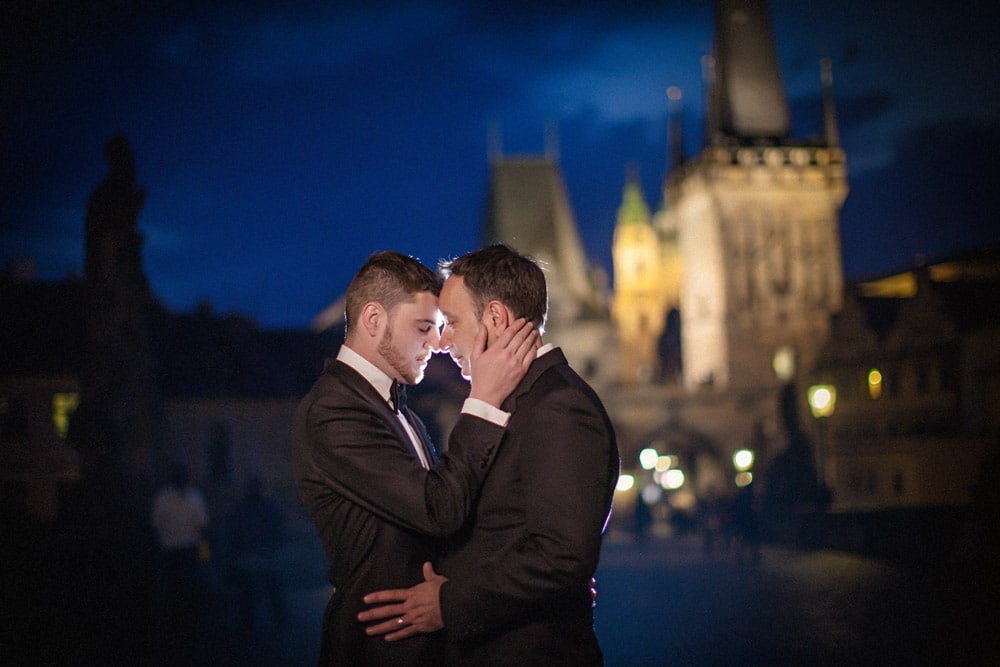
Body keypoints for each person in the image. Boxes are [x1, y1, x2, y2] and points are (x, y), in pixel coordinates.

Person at [359, 244, 620, 666]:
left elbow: (561, 555)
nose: (442, 341)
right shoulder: (520, 400)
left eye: (453, 322)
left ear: (495, 318)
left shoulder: (557, 406)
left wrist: (448, 603)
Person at [292, 250, 538, 665]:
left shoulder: (392, 406)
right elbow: (438, 509)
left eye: (440, 328)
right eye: (424, 327)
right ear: (373, 319)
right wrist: (484, 399)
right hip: (380, 648)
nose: (438, 343)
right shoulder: (335, 410)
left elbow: (453, 507)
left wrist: (543, 579)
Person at [150, 462, 209, 629]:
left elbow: (155, 524)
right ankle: (186, 622)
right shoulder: (195, 497)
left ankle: (176, 622)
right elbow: (202, 525)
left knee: (173, 586)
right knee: (188, 585)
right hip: (188, 549)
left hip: (170, 550)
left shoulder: (162, 497)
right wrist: (205, 553)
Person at [230, 477, 287, 634]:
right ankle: (279, 621)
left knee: (248, 594)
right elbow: (279, 529)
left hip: (250, 556)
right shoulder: (269, 506)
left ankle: (248, 625)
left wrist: (235, 553)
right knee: (271, 591)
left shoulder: (241, 508)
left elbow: (234, 533)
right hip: (265, 556)